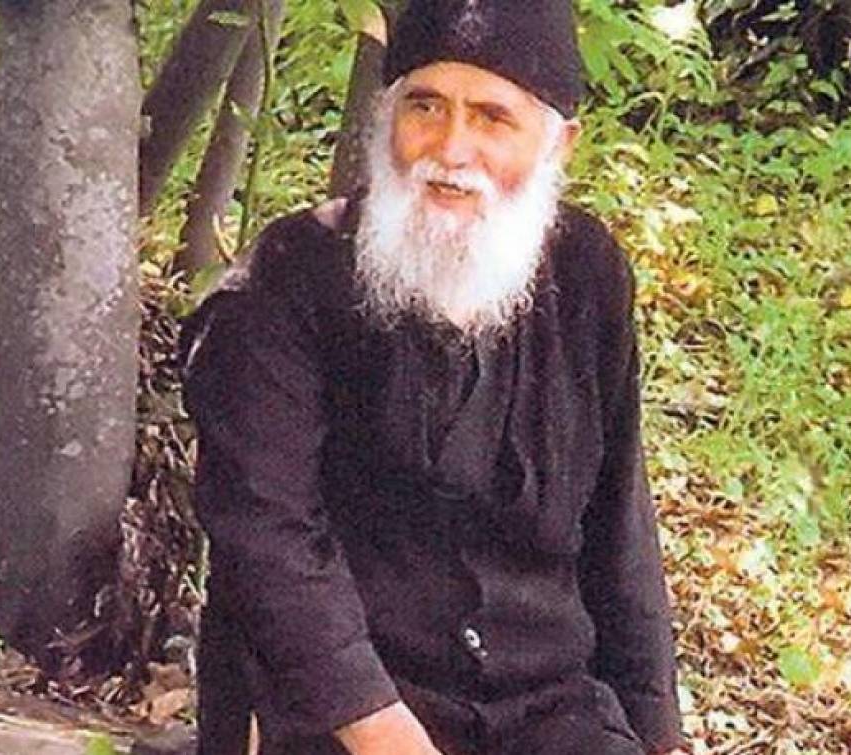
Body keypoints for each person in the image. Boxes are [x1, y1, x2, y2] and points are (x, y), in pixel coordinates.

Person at [180, 1, 684, 752]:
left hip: (544, 708)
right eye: (425, 107)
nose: (451, 149)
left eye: (491, 118)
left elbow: (620, 529)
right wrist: (382, 731)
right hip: (334, 708)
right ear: (387, 117)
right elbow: (265, 532)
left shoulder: (588, 273)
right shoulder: (295, 273)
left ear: (559, 143)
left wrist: (658, 734)